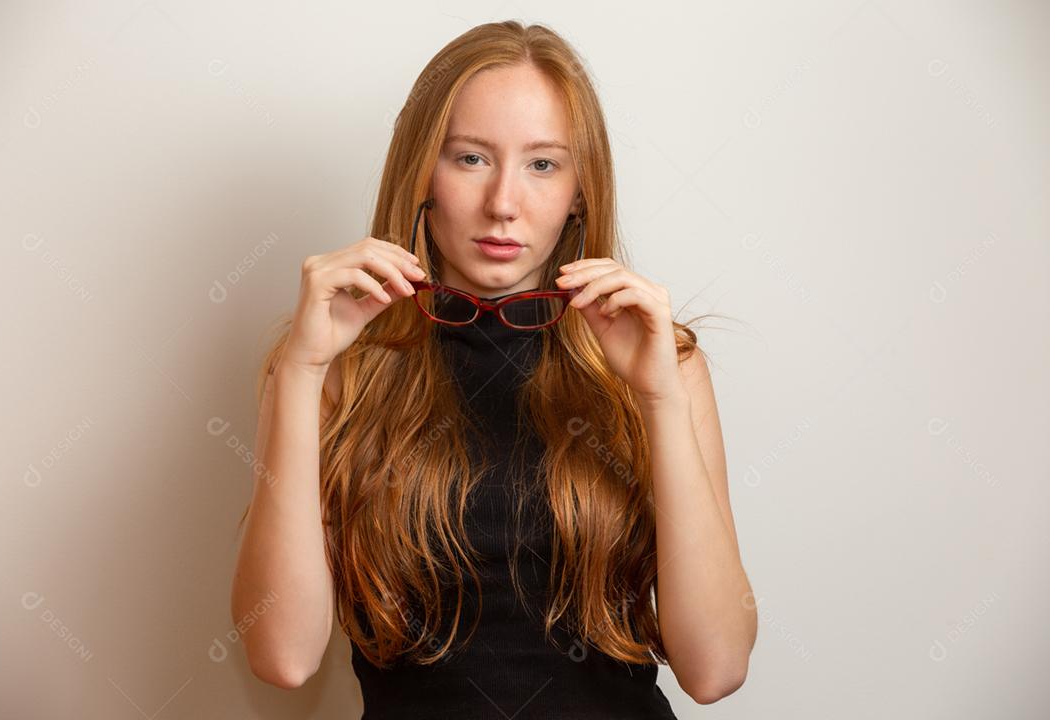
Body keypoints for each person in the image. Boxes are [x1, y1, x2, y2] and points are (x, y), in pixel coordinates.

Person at [231, 19, 756, 718]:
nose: (503, 204)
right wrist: (299, 371)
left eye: (543, 164)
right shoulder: (332, 370)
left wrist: (659, 397)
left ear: (580, 190)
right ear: (422, 172)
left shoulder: (664, 367)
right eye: (470, 158)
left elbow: (716, 667)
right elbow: (283, 656)